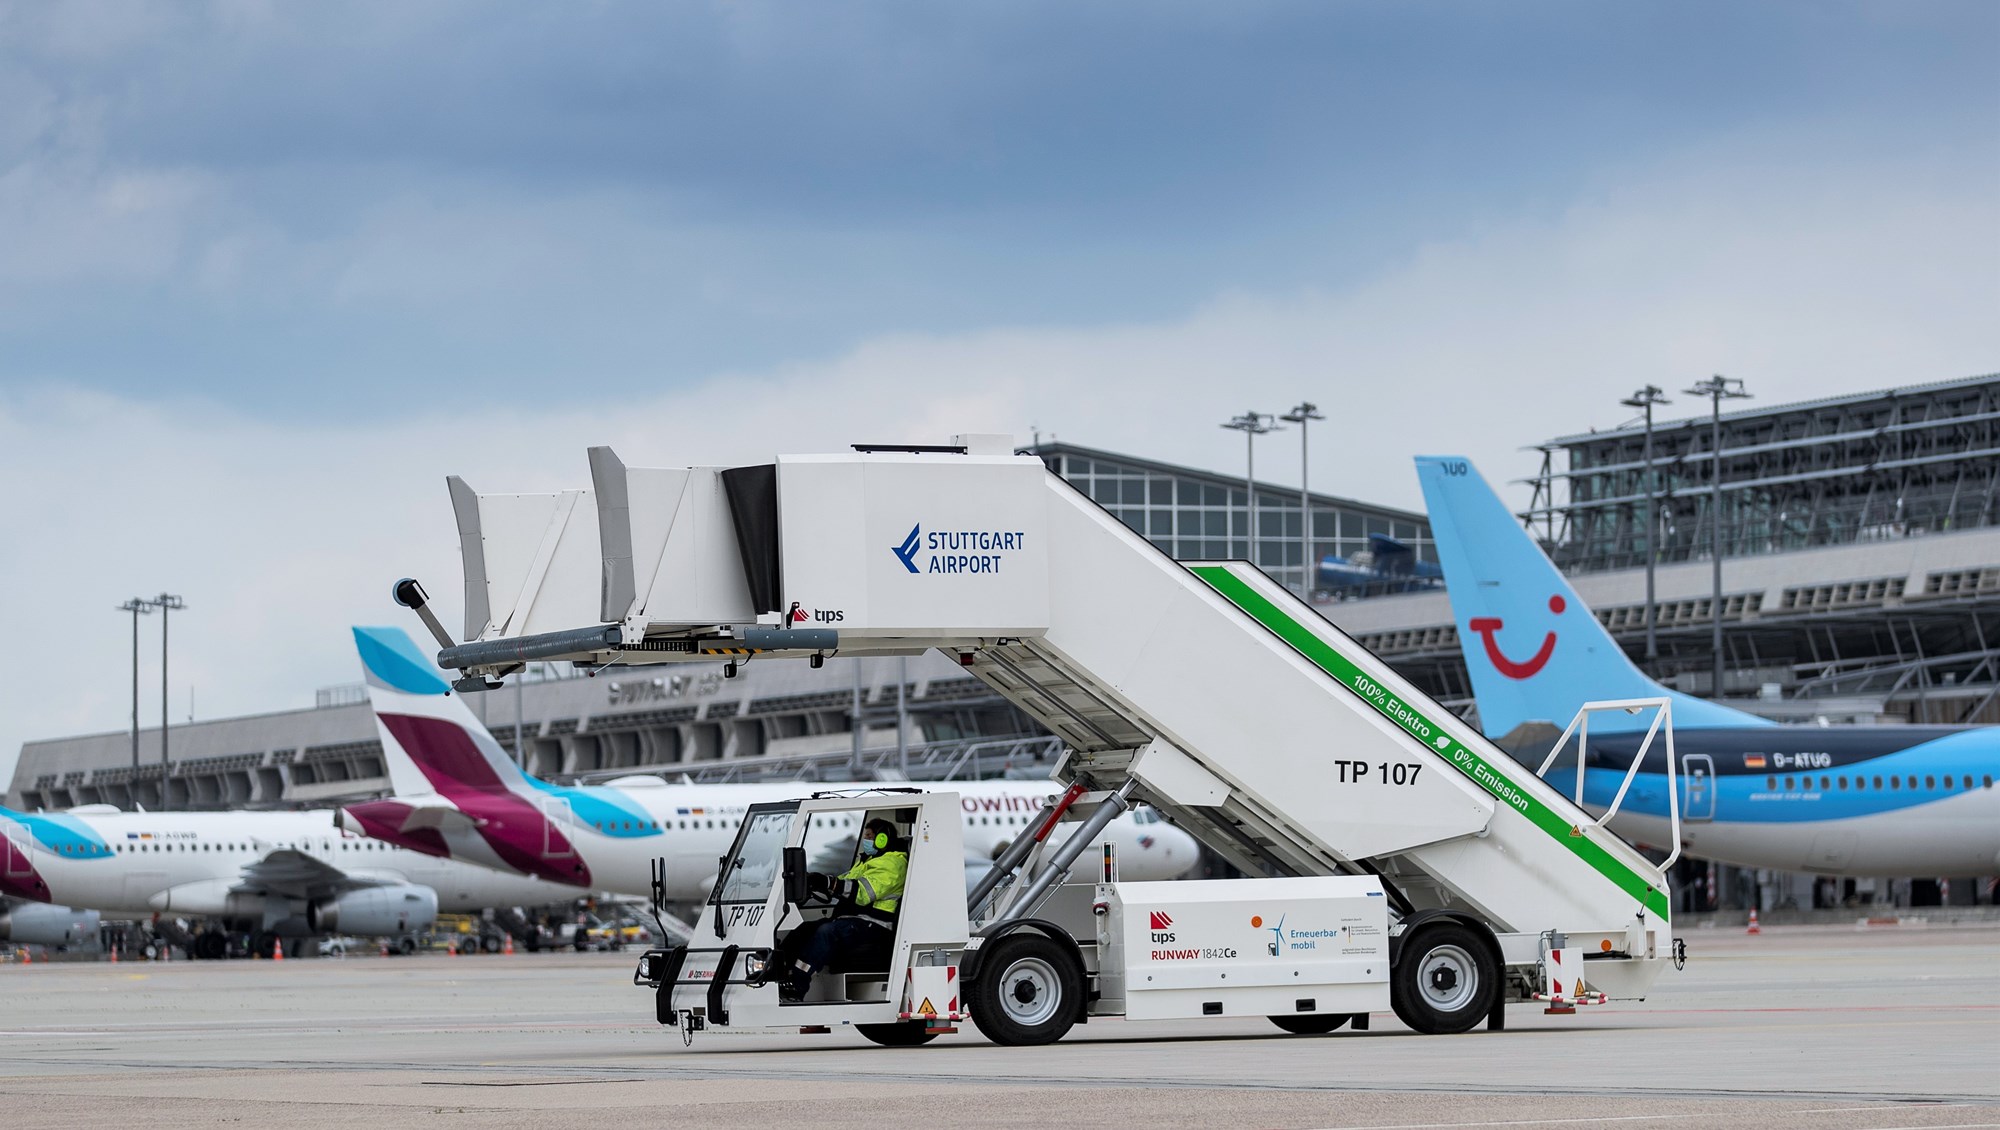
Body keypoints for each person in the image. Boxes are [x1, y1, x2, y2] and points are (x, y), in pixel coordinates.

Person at [766, 818, 908, 1001]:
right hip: (854, 920)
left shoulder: (893, 864)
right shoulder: (867, 861)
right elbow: (845, 880)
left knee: (827, 932)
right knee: (803, 930)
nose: (866, 840)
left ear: (882, 839)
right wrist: (819, 882)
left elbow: (862, 893)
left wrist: (830, 883)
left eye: (869, 836)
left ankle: (797, 986)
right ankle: (777, 976)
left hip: (874, 924)